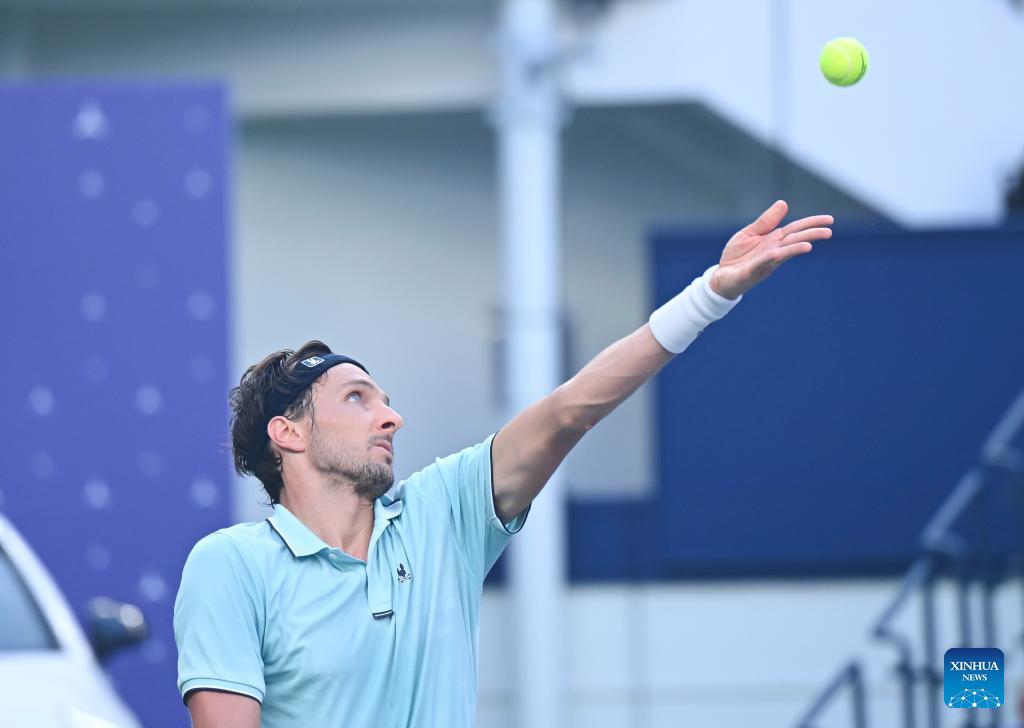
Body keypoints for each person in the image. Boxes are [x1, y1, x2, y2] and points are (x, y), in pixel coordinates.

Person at [173, 200, 833, 727]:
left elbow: (570, 410)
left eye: (387, 401)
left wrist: (709, 294)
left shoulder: (442, 516)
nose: (391, 417)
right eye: (357, 398)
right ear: (287, 433)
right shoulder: (230, 566)